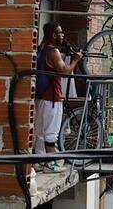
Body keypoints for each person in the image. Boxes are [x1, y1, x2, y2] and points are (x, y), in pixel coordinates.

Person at [34, 22, 82, 173]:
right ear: (54, 35)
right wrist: (75, 60)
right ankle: (52, 163)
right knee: (51, 132)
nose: (62, 35)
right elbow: (63, 70)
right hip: (52, 98)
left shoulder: (41, 48)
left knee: (40, 132)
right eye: (60, 33)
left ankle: (39, 161)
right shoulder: (53, 52)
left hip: (40, 96)